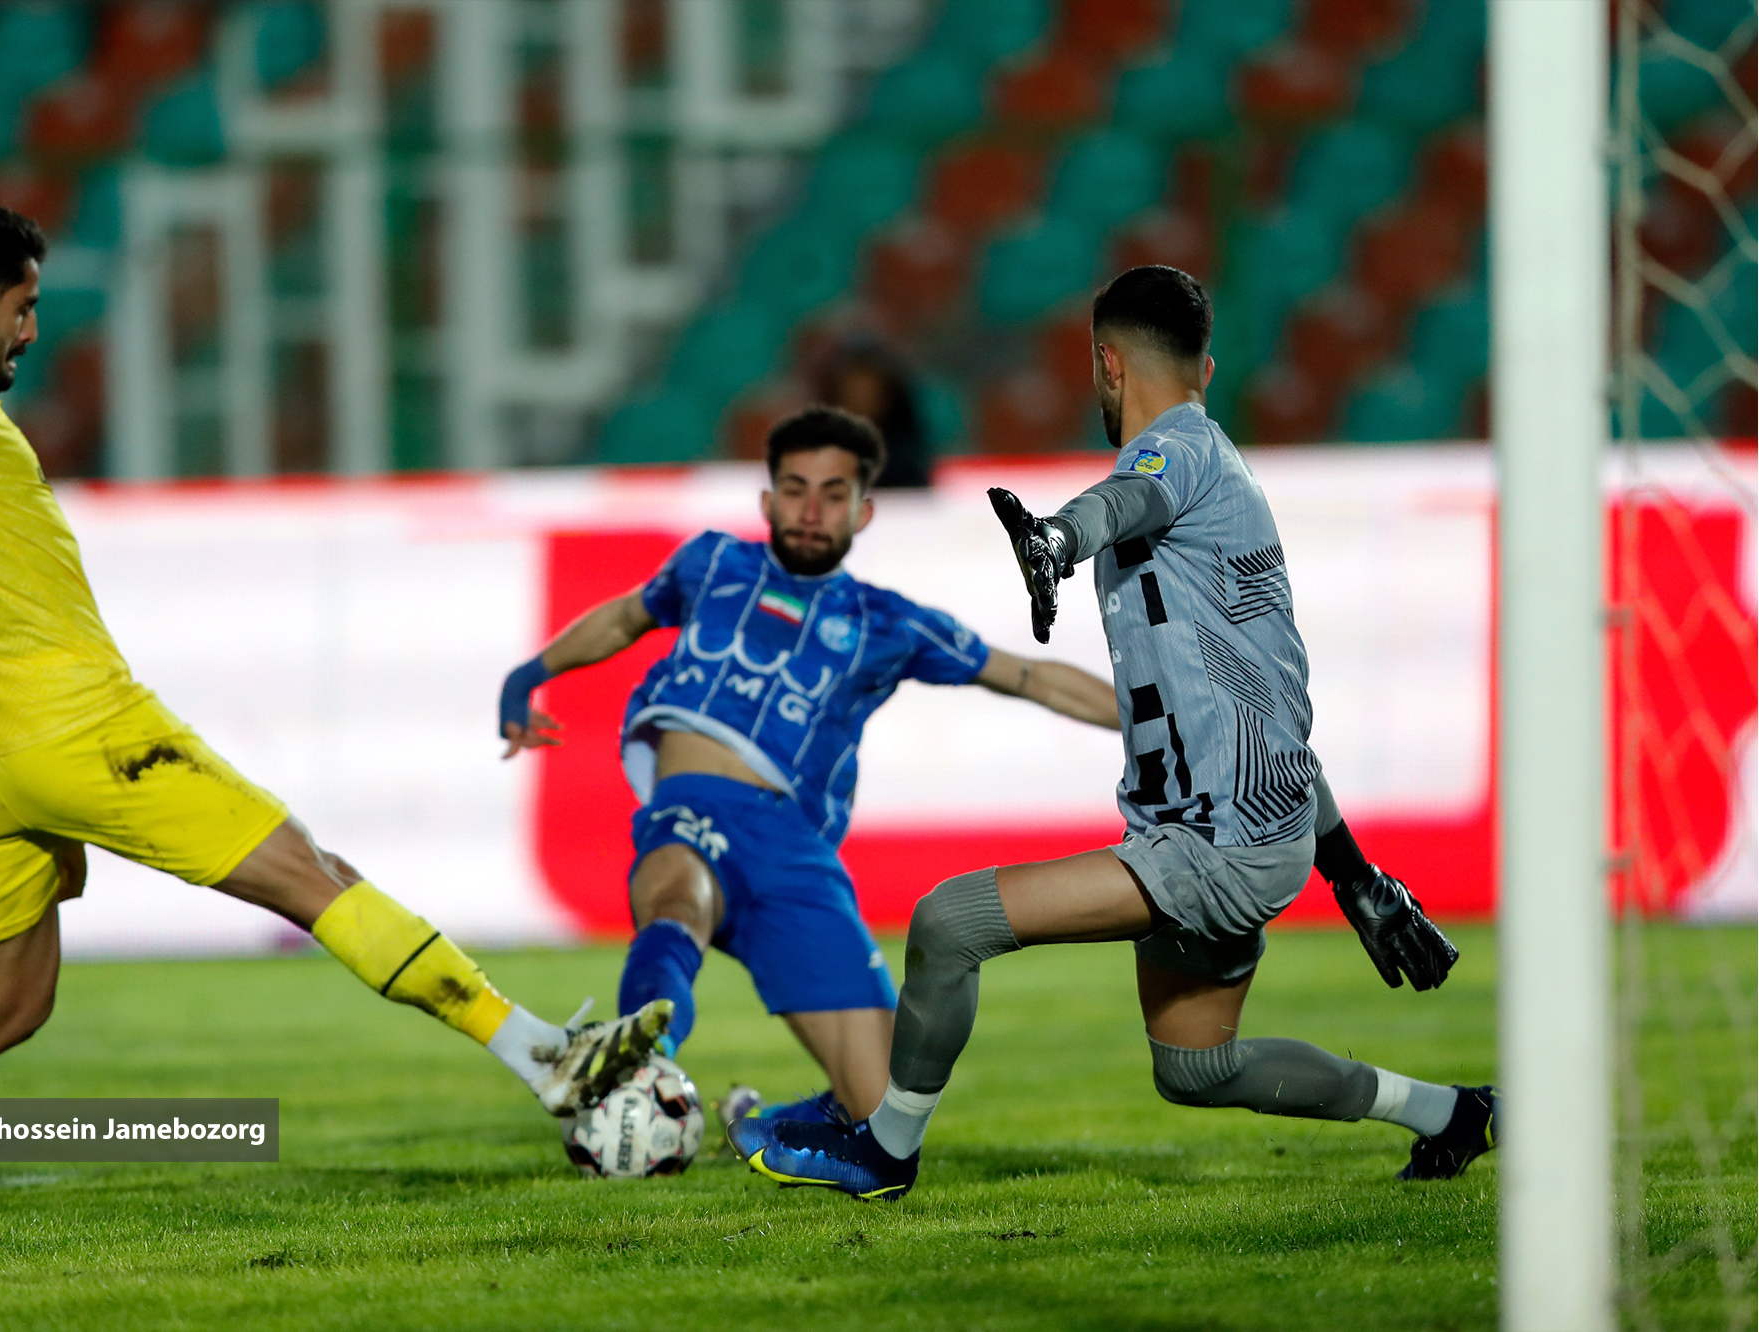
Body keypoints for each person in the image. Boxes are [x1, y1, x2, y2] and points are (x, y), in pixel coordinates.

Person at [0, 202, 668, 1196]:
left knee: (4, 1009)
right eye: (22, 308)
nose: (32, 330)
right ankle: (542, 1053)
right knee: (315, 876)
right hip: (88, 731)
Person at [726, 266, 1480, 1200]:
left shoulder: (1176, 454)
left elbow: (1124, 501)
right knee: (1197, 1066)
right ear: (1206, 367)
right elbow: (1269, 710)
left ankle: (883, 1149)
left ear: (1107, 365)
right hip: (1253, 829)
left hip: (1211, 845)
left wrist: (1054, 541)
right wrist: (1354, 873)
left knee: (948, 923)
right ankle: (1453, 1114)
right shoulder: (1223, 484)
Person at [499, 406, 1120, 1122]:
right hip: (692, 805)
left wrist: (1151, 720)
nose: (811, 510)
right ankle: (641, 1062)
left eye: (833, 493)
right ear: (768, 502)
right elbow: (623, 617)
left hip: (794, 851)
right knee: (677, 899)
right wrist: (529, 675)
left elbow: (1028, 676)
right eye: (795, 490)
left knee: (885, 1118)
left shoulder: (889, 623)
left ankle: (750, 1120)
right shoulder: (712, 563)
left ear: (864, 512)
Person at [812, 335, 932, 490]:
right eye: (854, 392)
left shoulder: (906, 456)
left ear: (887, 395)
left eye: (869, 391)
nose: (862, 400)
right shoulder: (816, 449)